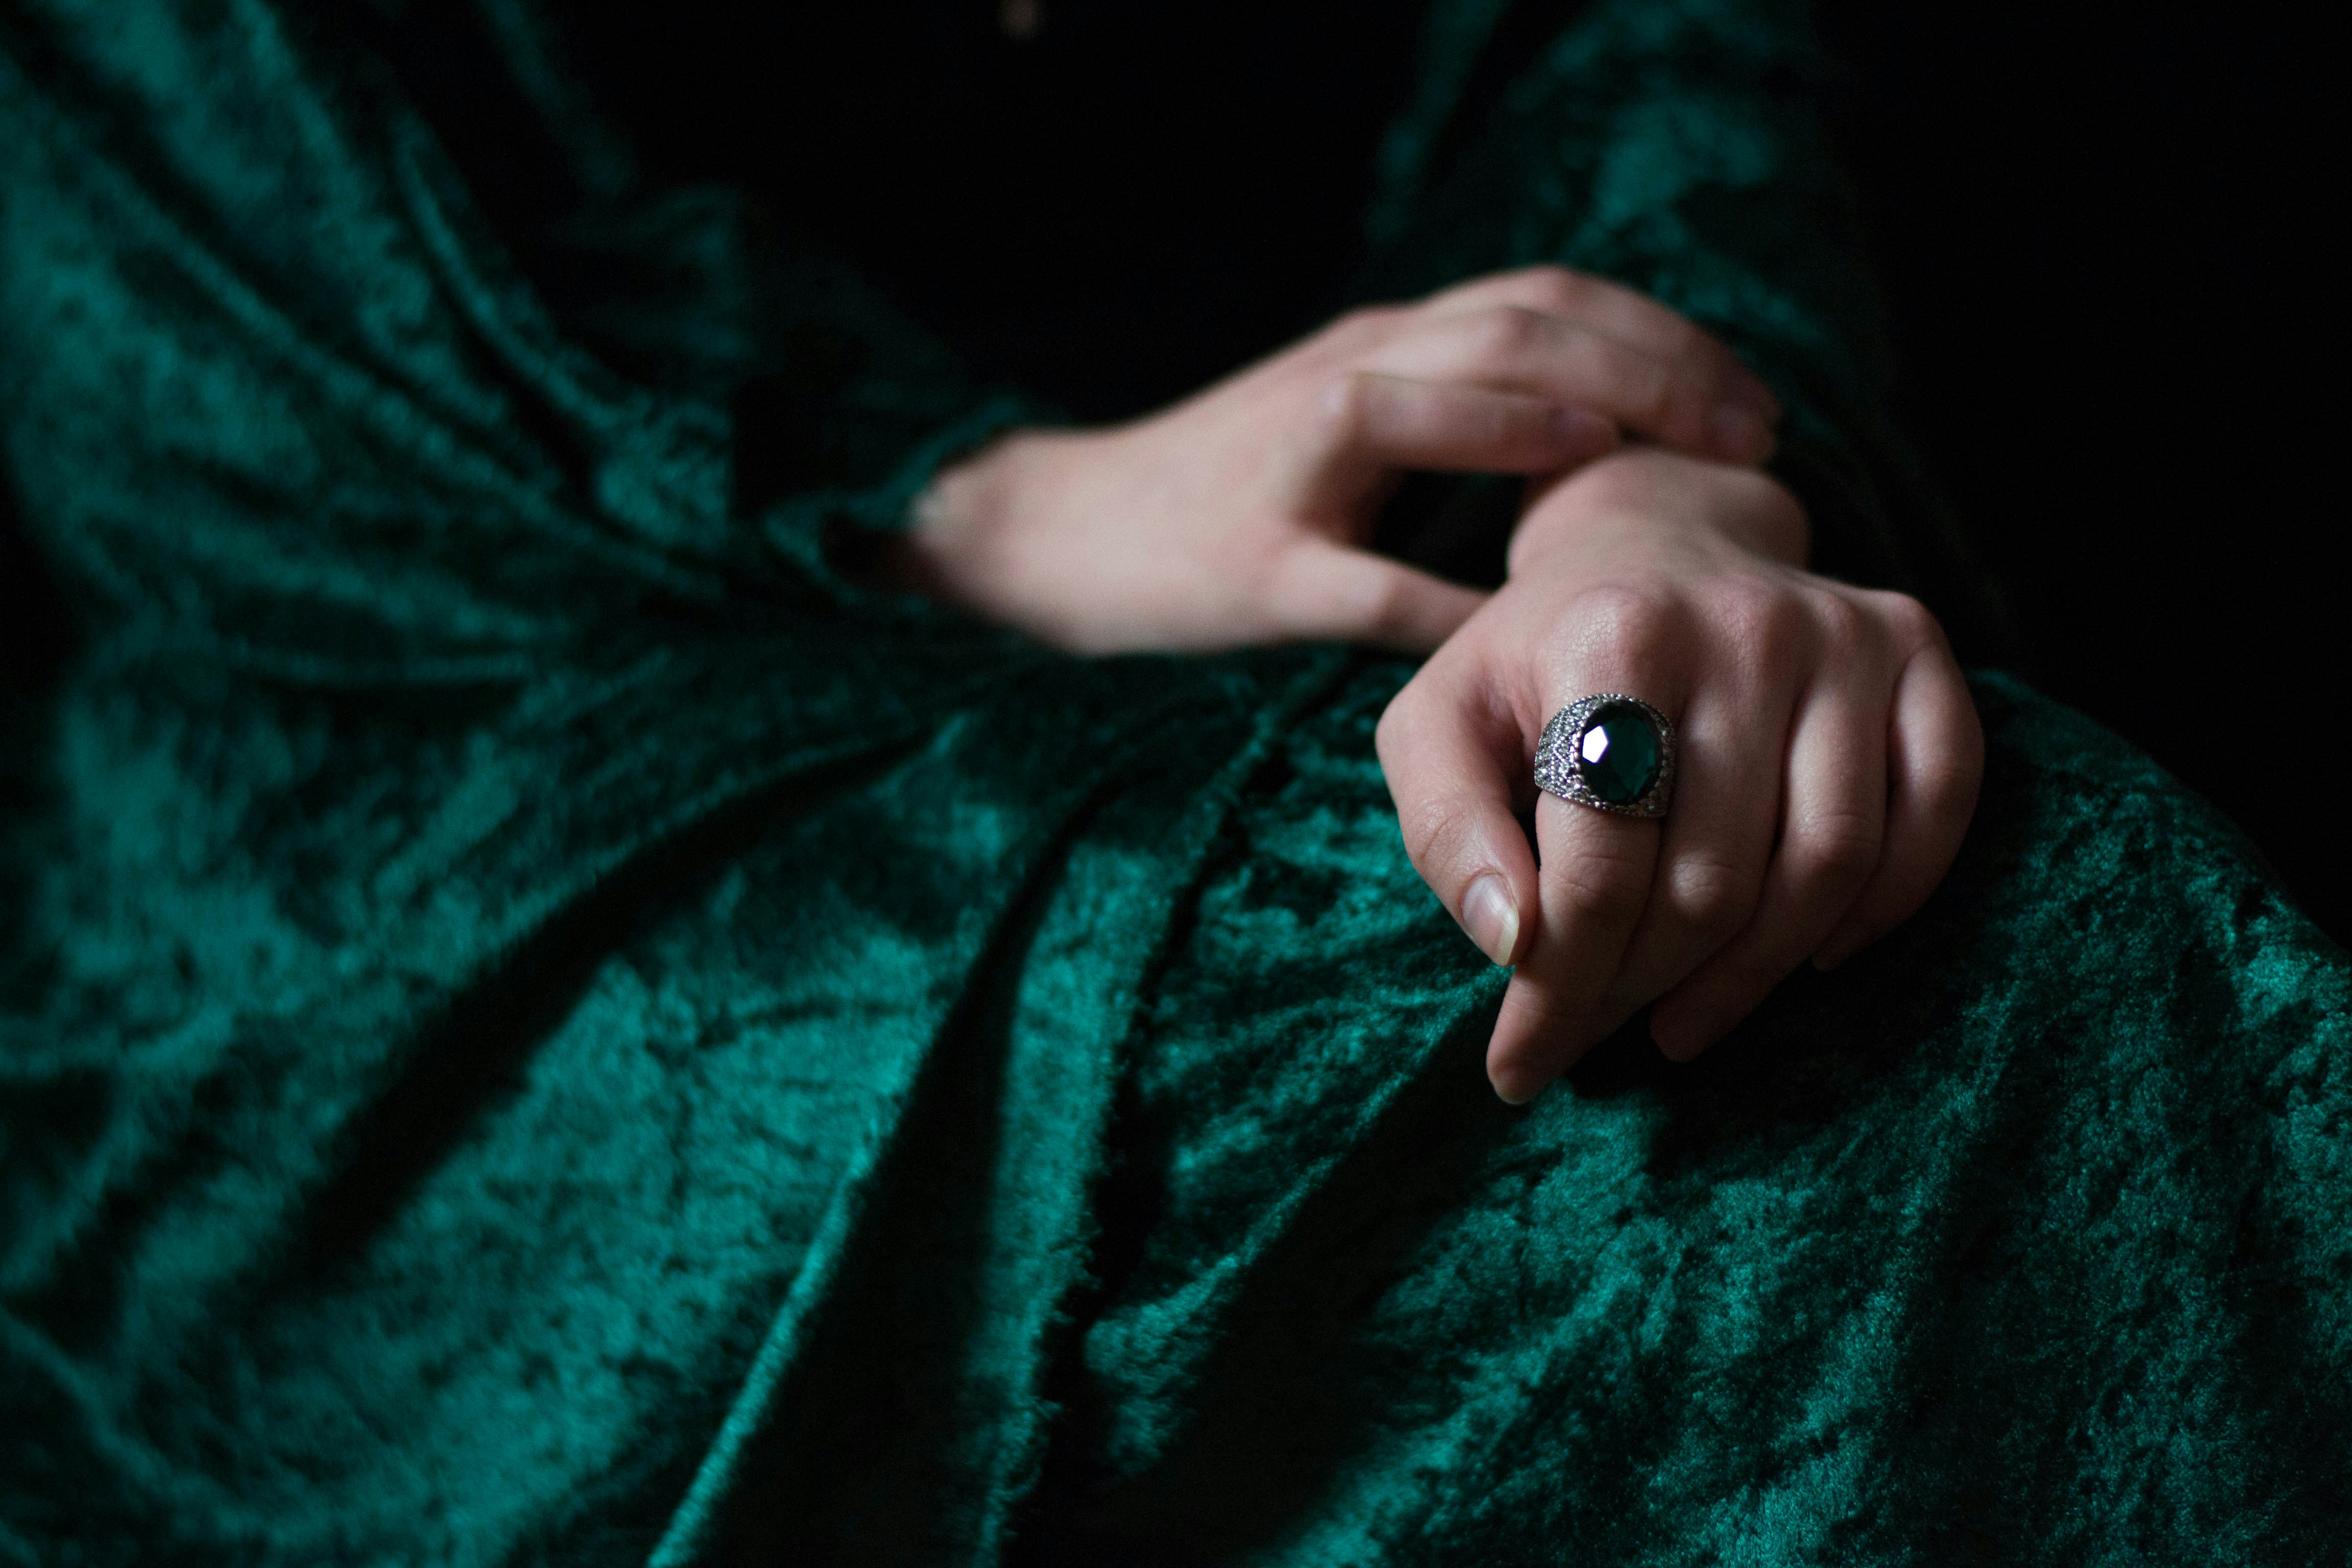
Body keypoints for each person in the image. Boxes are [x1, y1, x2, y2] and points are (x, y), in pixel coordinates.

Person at [0, 1, 2342, 1562]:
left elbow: (1621, 47)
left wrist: (1653, 504)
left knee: (1947, 900)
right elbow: (144, 199)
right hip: (455, 699)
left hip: (1360, 595)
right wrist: (977, 507)